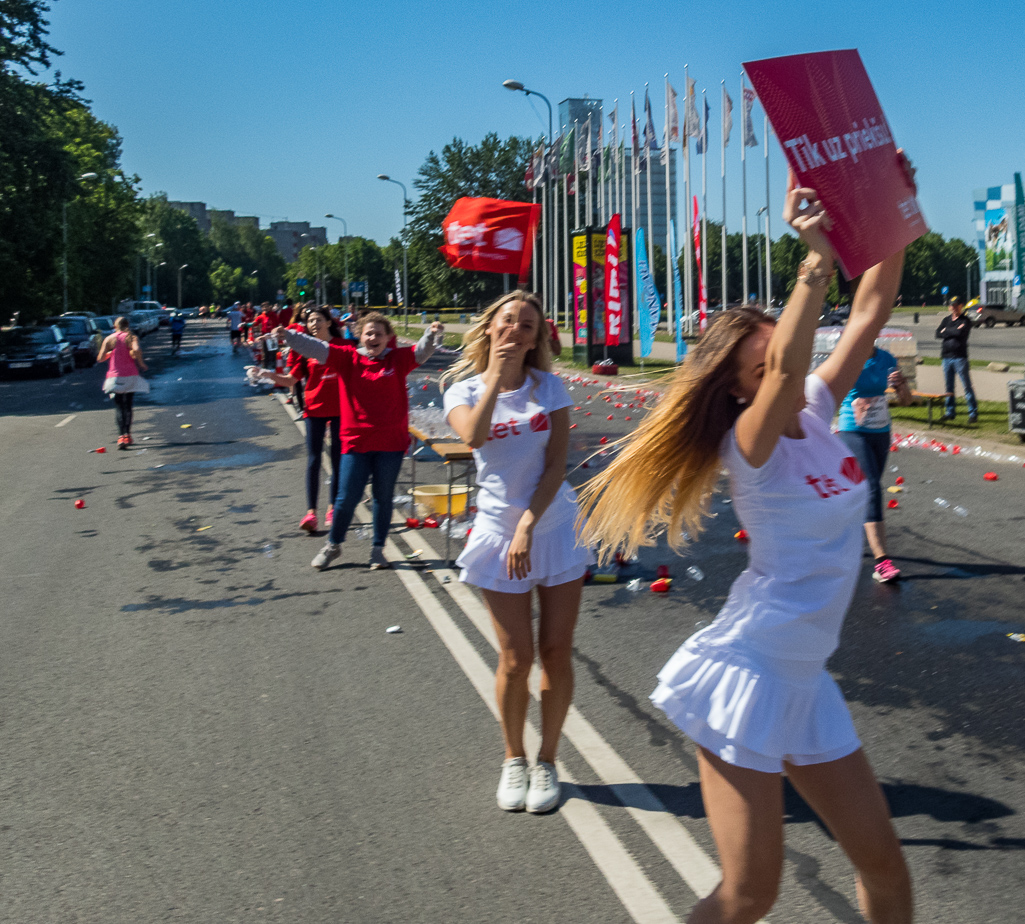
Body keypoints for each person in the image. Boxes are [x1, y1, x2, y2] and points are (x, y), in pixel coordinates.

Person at [578, 171, 914, 923]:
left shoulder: (820, 408)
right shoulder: (751, 444)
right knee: (748, 894)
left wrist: (894, 211)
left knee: (884, 866)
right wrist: (814, 257)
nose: (782, 375)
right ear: (738, 390)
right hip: (748, 670)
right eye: (762, 370)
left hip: (805, 680)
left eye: (779, 361)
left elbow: (871, 309)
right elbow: (797, 361)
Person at [441, 291, 589, 815]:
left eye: (528, 327)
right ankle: (514, 758)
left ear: (537, 338)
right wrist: (494, 381)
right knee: (514, 657)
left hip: (551, 528)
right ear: (490, 329)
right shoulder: (461, 390)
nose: (516, 332)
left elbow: (555, 467)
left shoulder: (549, 388)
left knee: (555, 650)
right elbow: (475, 438)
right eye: (508, 323)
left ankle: (547, 761)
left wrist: (530, 523)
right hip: (496, 531)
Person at [276, 312, 444, 570]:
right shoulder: (348, 358)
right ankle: (334, 545)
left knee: (382, 497)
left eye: (379, 334)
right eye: (369, 333)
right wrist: (288, 336)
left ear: (389, 338)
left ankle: (378, 549)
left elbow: (421, 351)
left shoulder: (398, 360)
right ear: (360, 337)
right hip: (356, 443)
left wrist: (432, 334)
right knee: (346, 498)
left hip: (391, 443)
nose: (373, 338)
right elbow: (316, 347)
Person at [256, 306, 343, 532]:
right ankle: (311, 513)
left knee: (337, 461)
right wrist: (268, 375)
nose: (314, 324)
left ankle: (333, 508)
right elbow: (291, 380)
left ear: (329, 322)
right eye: (310, 321)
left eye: (318, 320)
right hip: (314, 409)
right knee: (314, 461)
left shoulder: (345, 347)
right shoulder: (306, 351)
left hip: (341, 410)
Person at [836, 347, 912, 583]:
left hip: (880, 431)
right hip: (852, 430)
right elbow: (829, 394)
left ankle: (836, 536)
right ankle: (882, 562)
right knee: (871, 489)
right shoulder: (847, 356)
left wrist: (901, 385)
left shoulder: (887, 358)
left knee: (863, 490)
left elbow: (906, 401)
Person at [98, 316, 150, 449]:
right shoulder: (131, 337)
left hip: (114, 377)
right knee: (128, 406)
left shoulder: (110, 339)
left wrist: (110, 353)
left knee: (119, 407)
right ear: (128, 325)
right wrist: (141, 362)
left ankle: (121, 436)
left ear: (115, 326)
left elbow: (100, 358)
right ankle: (128, 435)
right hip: (130, 376)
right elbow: (137, 349)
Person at [936, 296, 977, 423]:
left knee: (966, 386)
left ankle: (973, 413)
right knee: (949, 387)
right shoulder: (946, 320)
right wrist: (951, 330)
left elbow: (960, 333)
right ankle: (950, 412)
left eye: (956, 305)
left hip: (960, 358)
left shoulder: (965, 320)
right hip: (946, 357)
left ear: (961, 306)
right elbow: (937, 333)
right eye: (952, 305)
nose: (954, 308)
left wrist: (946, 331)